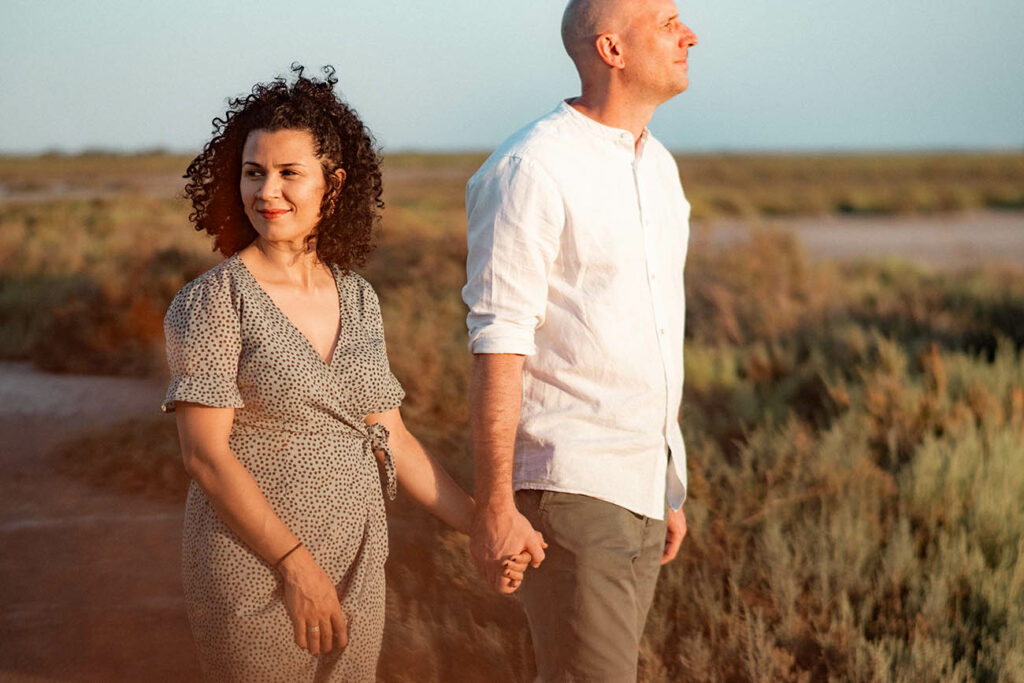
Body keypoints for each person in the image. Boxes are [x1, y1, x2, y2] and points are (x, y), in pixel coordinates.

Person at [163, 65, 535, 682]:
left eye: (289, 173)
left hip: (357, 559)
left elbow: (392, 435)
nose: (267, 192)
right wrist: (295, 566)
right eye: (253, 172)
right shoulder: (211, 302)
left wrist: (484, 527)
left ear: (332, 185)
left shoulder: (358, 297)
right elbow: (205, 457)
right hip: (256, 567)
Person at [463, 0, 698, 679]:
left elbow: (647, 329)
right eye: (665, 22)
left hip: (643, 487)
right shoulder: (531, 168)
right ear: (612, 50)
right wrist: (496, 505)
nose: (689, 35)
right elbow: (498, 341)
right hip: (570, 486)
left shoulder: (660, 169)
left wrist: (666, 482)